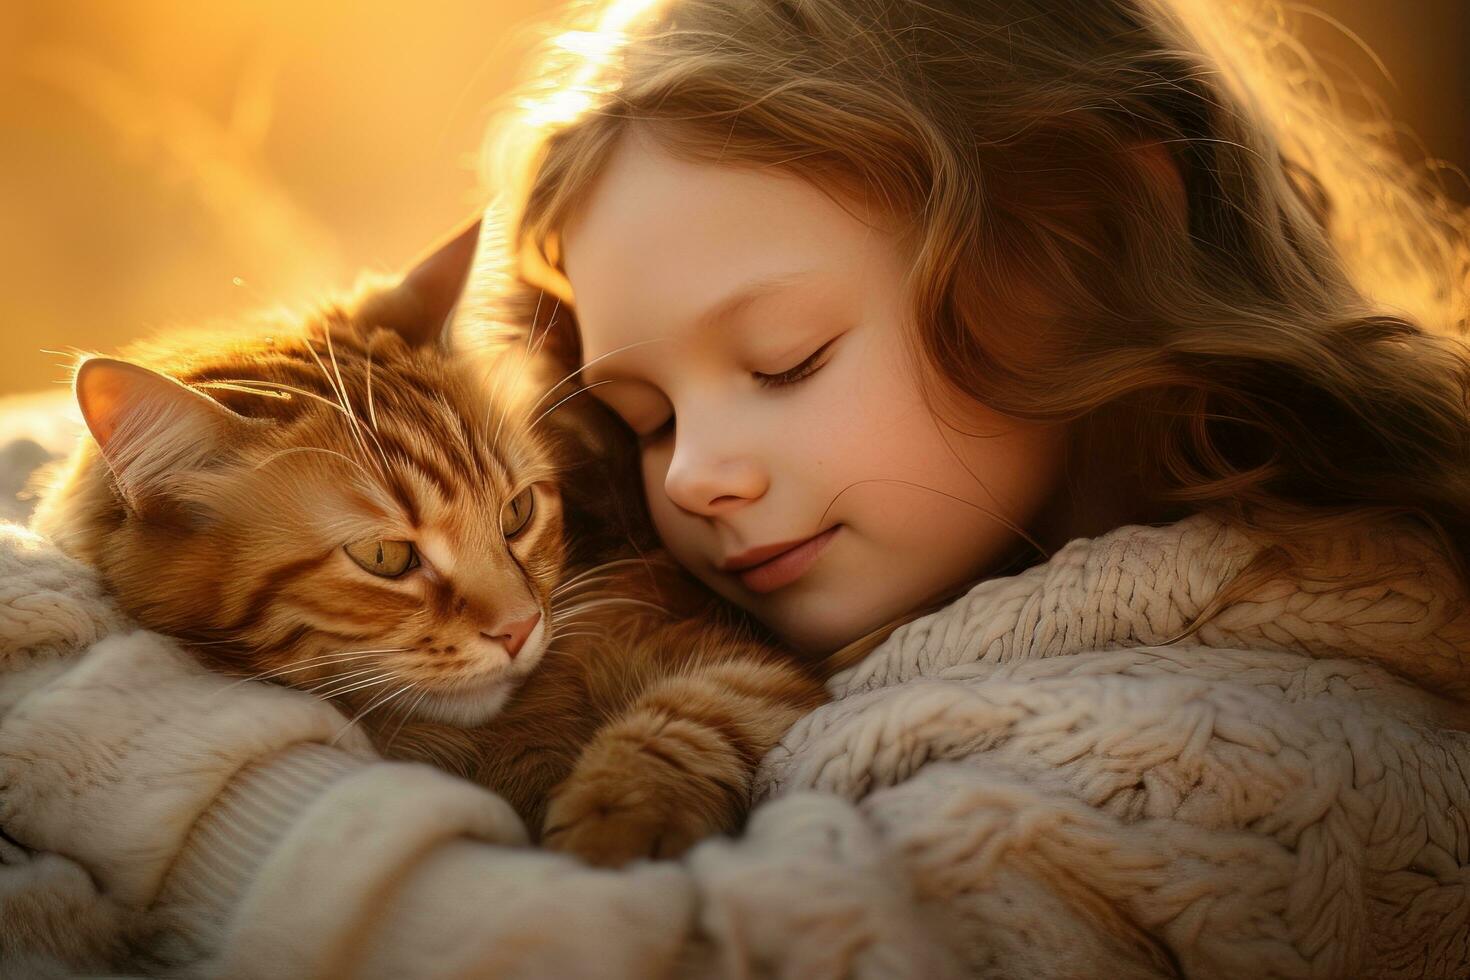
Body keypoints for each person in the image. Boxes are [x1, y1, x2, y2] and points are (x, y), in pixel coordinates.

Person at [3, 0, 1469, 976]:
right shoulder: (760, 555)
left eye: (783, 360)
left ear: (1085, 244)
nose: (694, 473)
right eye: (636, 412)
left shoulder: (1268, 751)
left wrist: (91, 719)